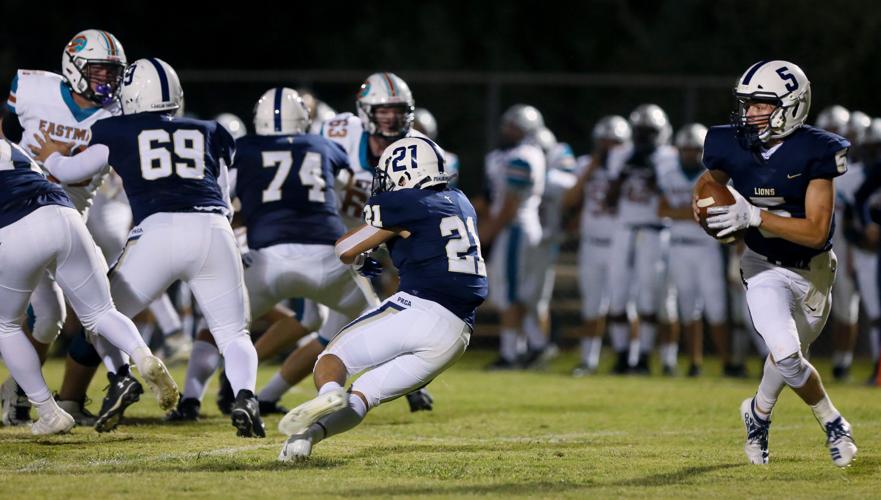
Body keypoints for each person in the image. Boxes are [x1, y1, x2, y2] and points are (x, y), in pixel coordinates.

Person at [32, 57, 263, 438]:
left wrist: (50, 156)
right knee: (234, 334)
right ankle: (246, 398)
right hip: (213, 230)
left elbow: (73, 172)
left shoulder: (117, 128)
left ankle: (121, 377)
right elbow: (223, 193)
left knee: (101, 318)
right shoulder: (210, 130)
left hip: (156, 232)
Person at [277, 136, 487, 462]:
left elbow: (345, 249)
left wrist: (361, 253)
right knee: (365, 395)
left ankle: (330, 394)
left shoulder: (407, 203)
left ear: (404, 175)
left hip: (420, 308)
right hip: (457, 335)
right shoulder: (460, 201)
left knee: (333, 359)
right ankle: (306, 439)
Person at [697, 60, 856, 466]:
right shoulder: (728, 142)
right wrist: (709, 206)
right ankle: (834, 423)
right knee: (786, 355)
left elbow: (817, 231)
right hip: (762, 266)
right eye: (746, 104)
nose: (749, 113)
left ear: (792, 105)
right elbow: (708, 184)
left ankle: (757, 414)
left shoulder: (817, 150)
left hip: (816, 271)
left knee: (787, 358)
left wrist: (754, 216)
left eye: (761, 105)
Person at [0, 29, 139, 428]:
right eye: (98, 71)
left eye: (113, 73)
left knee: (56, 317)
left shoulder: (118, 113)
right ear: (73, 67)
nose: (106, 82)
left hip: (68, 219)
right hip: (16, 216)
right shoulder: (32, 89)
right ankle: (31, 393)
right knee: (42, 315)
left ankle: (26, 391)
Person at [0, 137, 178, 434]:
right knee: (101, 311)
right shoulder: (11, 147)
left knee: (5, 325)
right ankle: (143, 356)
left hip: (15, 223)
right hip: (64, 214)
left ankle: (48, 411)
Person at [605, 104, 677, 373]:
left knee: (649, 295)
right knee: (618, 295)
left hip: (654, 231)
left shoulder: (669, 158)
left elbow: (672, 199)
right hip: (624, 229)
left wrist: (654, 179)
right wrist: (623, 174)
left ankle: (645, 357)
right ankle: (623, 355)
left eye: (650, 132)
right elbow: (610, 200)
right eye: (641, 131)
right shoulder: (620, 155)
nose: (645, 137)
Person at [659, 123, 730, 376]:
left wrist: (685, 213)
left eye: (694, 149)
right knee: (688, 307)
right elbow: (662, 210)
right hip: (679, 247)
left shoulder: (715, 176)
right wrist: (692, 213)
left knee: (716, 307)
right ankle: (695, 363)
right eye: (685, 149)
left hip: (707, 247)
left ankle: (727, 363)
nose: (689, 154)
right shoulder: (668, 174)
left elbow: (714, 213)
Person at [480, 104, 546, 369]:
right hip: (512, 228)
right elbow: (491, 199)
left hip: (515, 228)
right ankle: (531, 346)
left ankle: (513, 353)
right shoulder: (506, 156)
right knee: (509, 292)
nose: (507, 130)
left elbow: (509, 206)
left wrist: (485, 235)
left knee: (508, 293)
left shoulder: (523, 157)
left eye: (514, 127)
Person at [564, 115, 631, 375]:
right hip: (591, 244)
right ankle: (588, 359)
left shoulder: (630, 166)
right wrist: (589, 170)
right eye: (603, 141)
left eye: (613, 142)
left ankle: (627, 358)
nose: (607, 147)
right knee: (592, 304)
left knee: (622, 305)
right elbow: (569, 201)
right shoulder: (585, 164)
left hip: (619, 243)